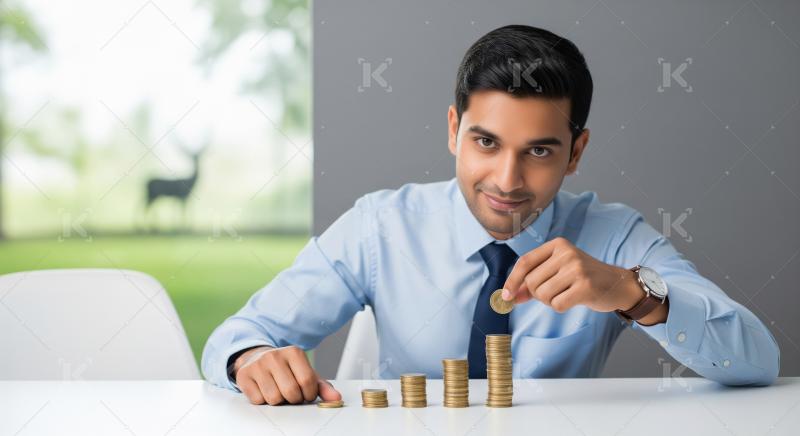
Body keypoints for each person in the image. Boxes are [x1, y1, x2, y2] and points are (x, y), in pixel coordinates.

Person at [201, 24, 780, 406]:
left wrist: (634, 292)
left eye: (540, 151)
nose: (507, 181)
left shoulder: (614, 235)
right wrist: (252, 359)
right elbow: (232, 338)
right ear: (454, 131)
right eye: (486, 143)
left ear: (576, 153)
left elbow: (756, 361)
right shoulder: (380, 226)